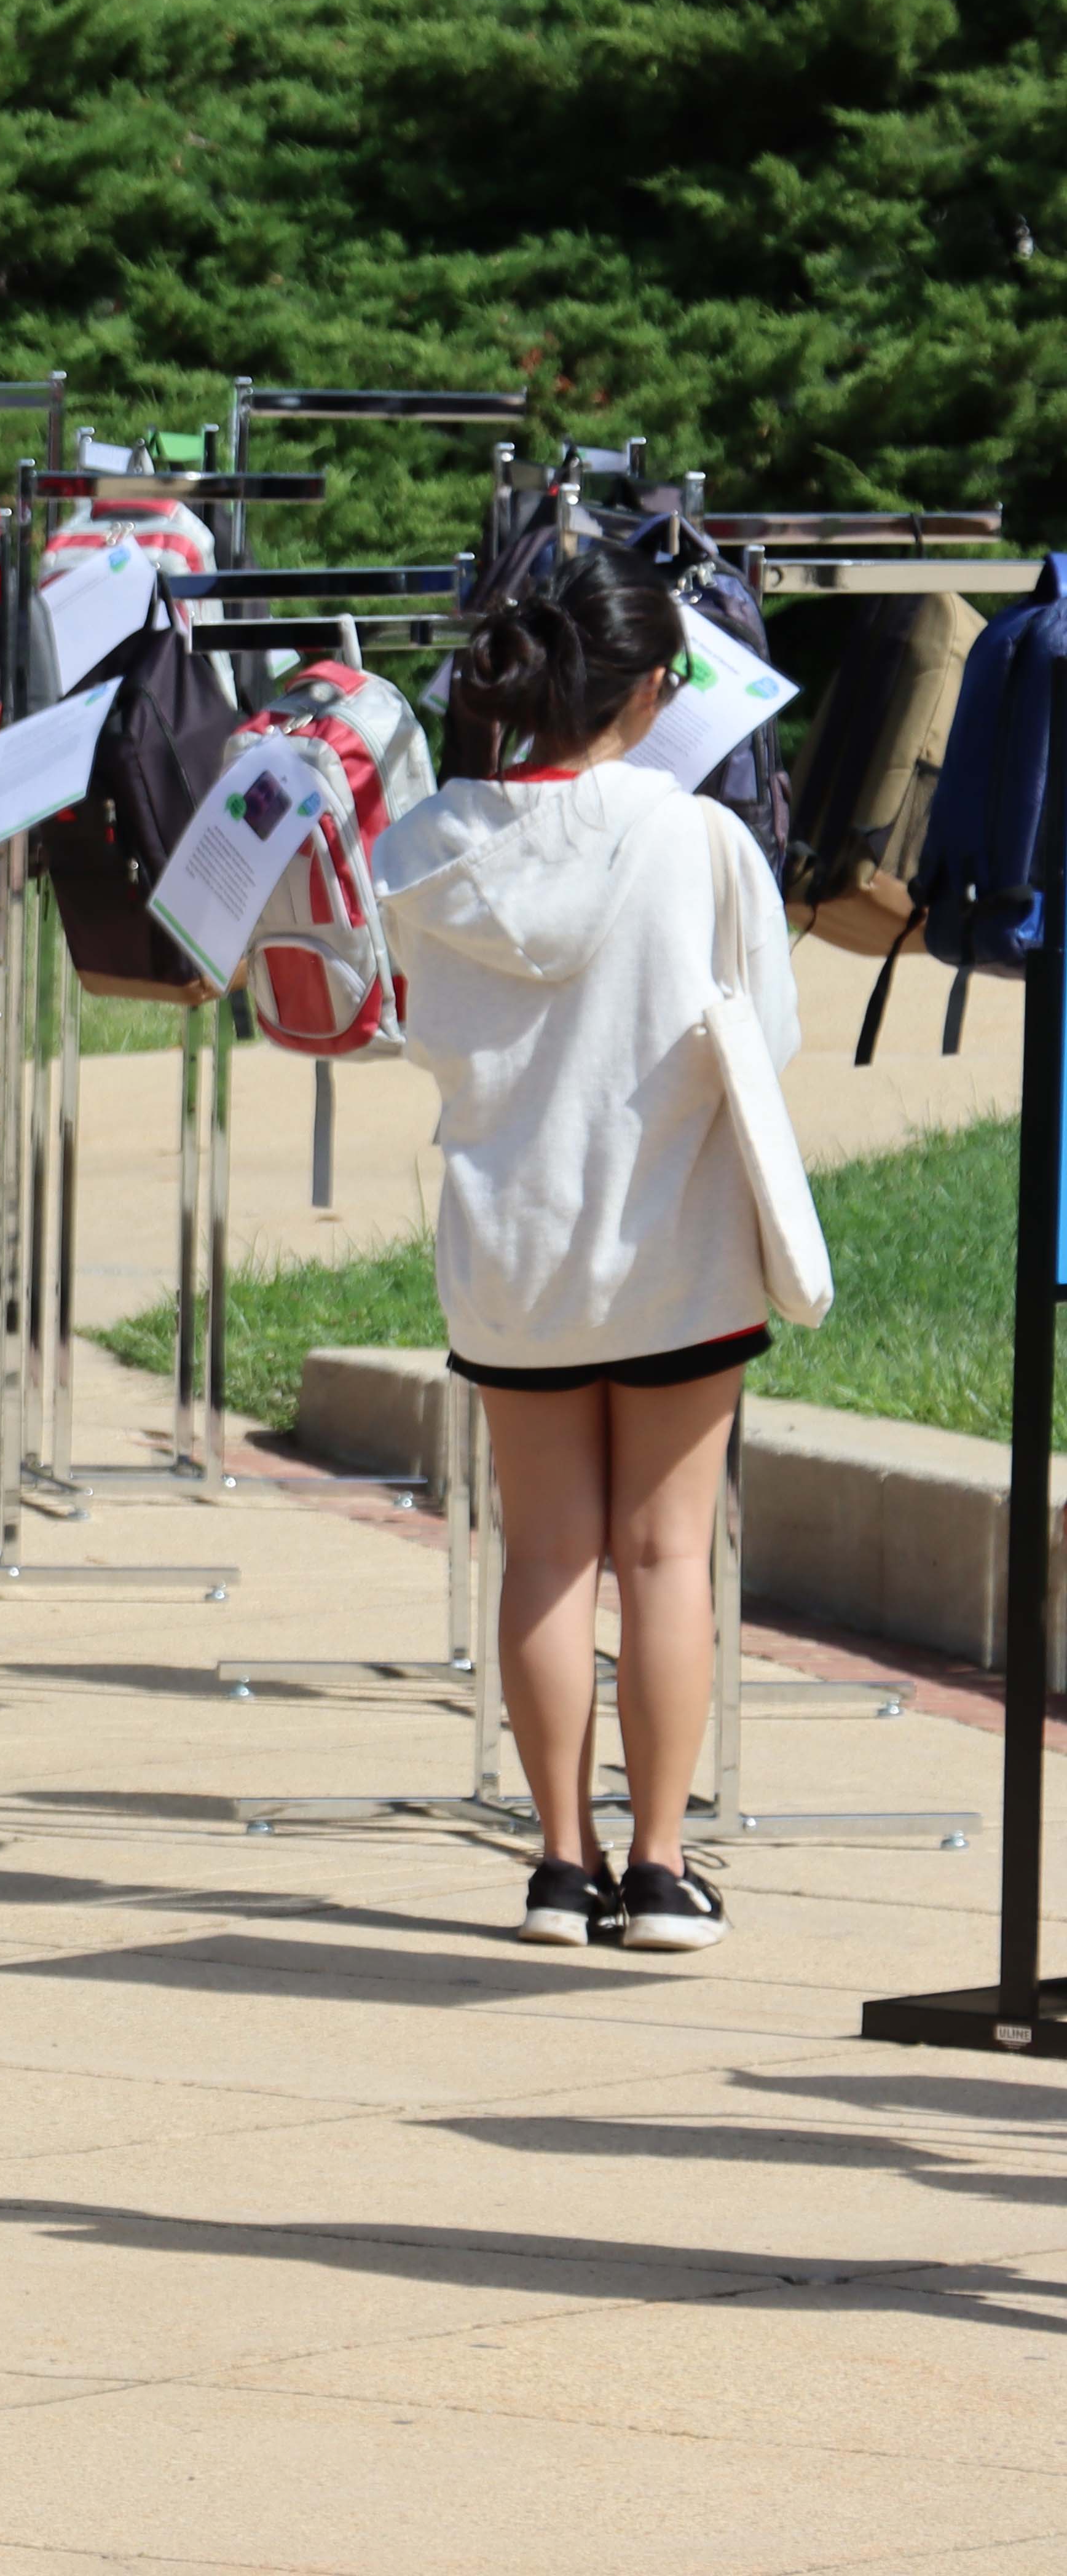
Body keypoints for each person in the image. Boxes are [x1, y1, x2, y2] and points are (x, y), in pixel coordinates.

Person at [375, 540, 792, 1958]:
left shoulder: (431, 846)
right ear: (657, 688)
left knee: (545, 1550)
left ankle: (561, 1862)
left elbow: (420, 1029)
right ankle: (663, 1863)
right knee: (668, 1550)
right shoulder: (700, 837)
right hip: (672, 1232)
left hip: (511, 1242)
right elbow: (769, 1035)